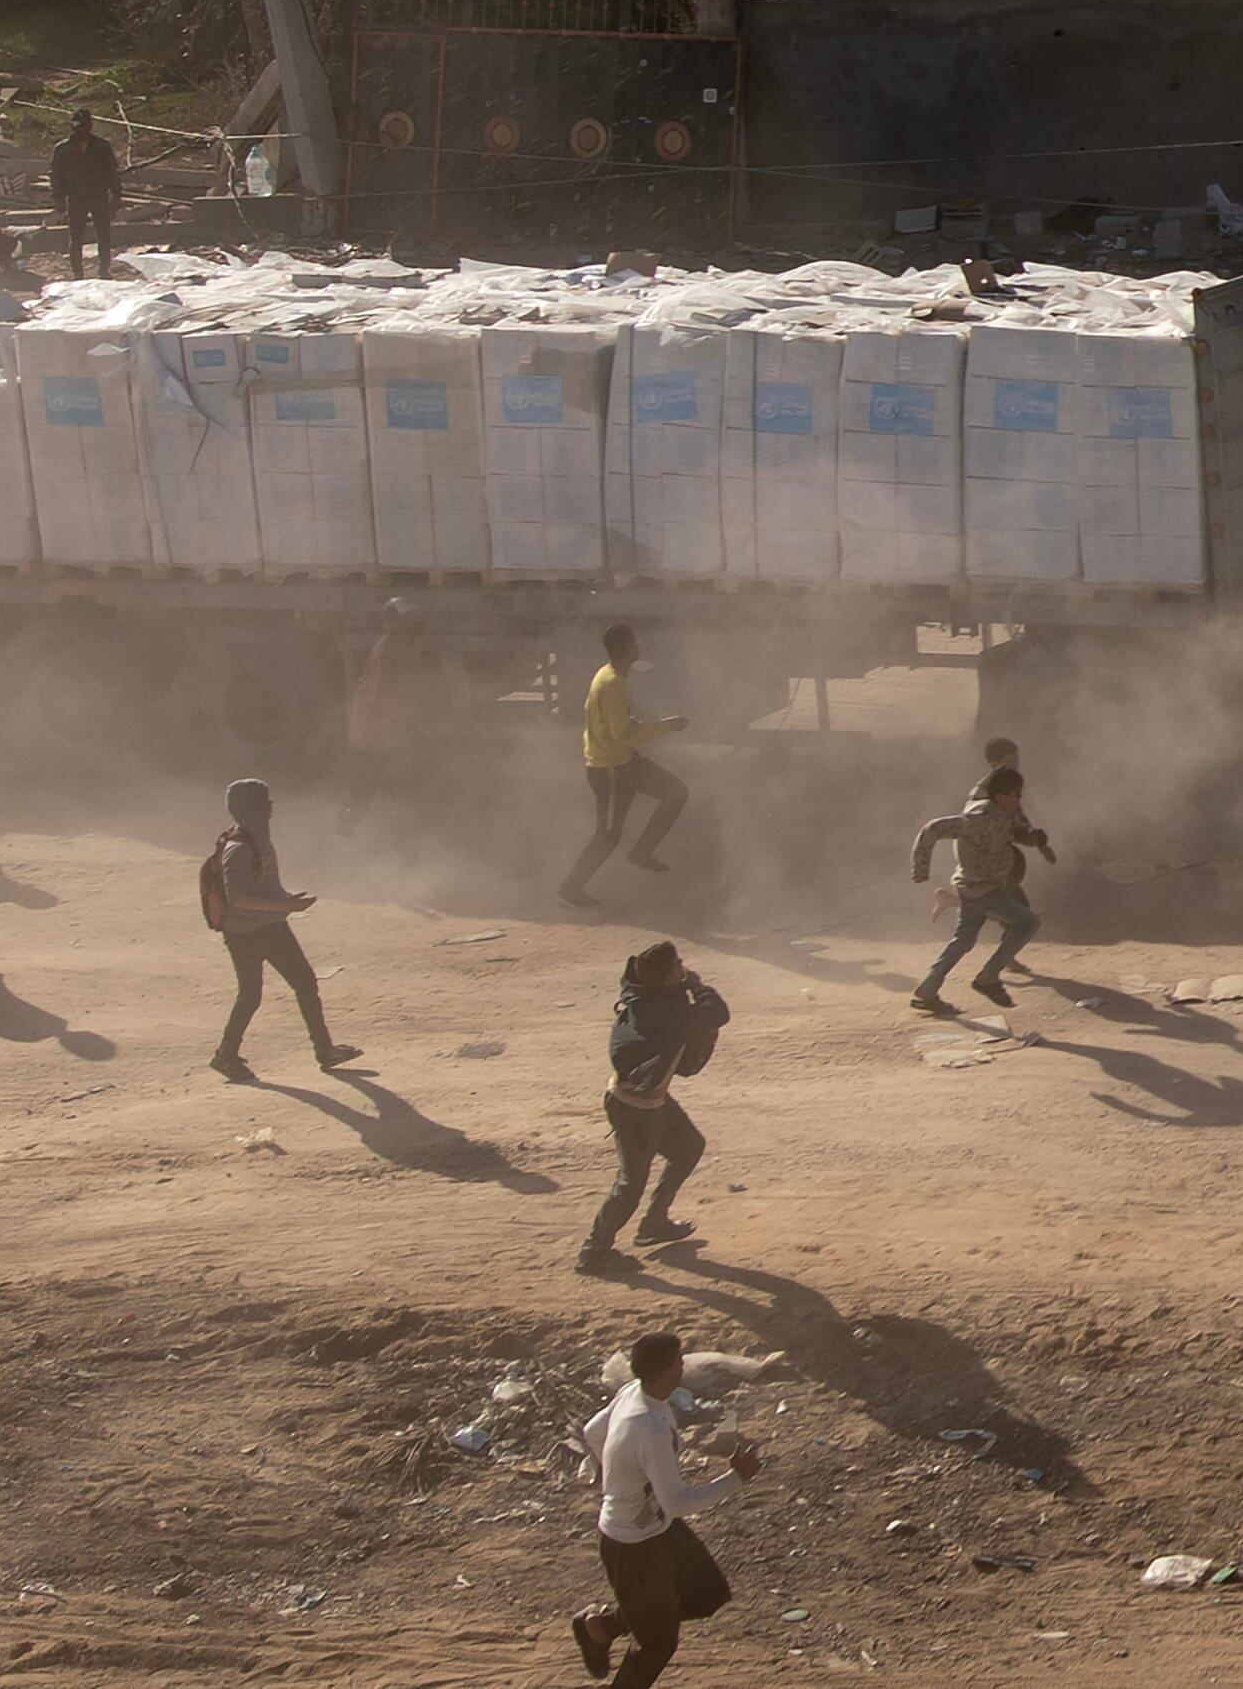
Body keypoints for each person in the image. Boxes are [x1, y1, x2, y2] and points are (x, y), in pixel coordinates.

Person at [570, 1328, 755, 1689]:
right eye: (679, 1361)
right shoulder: (650, 1428)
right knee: (658, 1643)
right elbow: (677, 1501)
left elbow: (593, 1432)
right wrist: (737, 1478)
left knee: (707, 1594)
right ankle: (608, 1632)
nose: (684, 1366)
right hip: (633, 1544)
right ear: (667, 1371)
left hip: (658, 1527)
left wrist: (620, 1478)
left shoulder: (634, 1393)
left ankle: (600, 1627)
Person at [580, 939, 725, 1270]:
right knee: (631, 1183)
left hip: (649, 1100)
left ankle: (654, 1224)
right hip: (636, 1108)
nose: (683, 967)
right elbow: (717, 1013)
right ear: (665, 978)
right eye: (678, 965)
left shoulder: (642, 992)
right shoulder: (664, 1014)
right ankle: (593, 1251)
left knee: (689, 1148)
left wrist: (678, 982)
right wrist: (698, 986)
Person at [204, 777, 361, 1079]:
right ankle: (226, 1055)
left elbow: (262, 885)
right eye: (265, 804)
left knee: (302, 983)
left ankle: (324, 1050)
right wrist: (285, 907)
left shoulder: (257, 840)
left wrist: (285, 900)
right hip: (248, 934)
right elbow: (238, 899)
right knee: (252, 995)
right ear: (253, 809)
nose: (271, 809)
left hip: (269, 927)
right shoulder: (239, 848)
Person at [907, 762, 1052, 1014]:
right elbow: (933, 829)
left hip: (976, 888)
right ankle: (988, 977)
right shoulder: (977, 818)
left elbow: (1017, 832)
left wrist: (1034, 839)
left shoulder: (1006, 813)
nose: (1019, 800)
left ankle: (927, 990)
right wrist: (921, 867)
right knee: (1027, 923)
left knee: (963, 940)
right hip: (983, 890)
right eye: (1015, 795)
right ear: (1000, 796)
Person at [560, 623, 688, 906]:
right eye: (635, 642)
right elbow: (624, 734)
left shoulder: (607, 675)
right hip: (611, 770)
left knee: (676, 792)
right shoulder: (614, 684)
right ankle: (571, 888)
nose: (639, 645)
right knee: (607, 835)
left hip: (624, 763)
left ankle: (642, 851)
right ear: (630, 650)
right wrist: (666, 727)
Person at [49, 112, 124, 277]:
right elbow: (56, 175)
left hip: (99, 196)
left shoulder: (102, 147)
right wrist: (58, 197)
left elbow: (111, 171)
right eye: (78, 127)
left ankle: (104, 270)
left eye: (84, 126)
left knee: (104, 235)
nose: (81, 130)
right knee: (76, 237)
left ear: (90, 126)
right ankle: (78, 273)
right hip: (76, 198)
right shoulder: (63, 149)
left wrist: (117, 194)